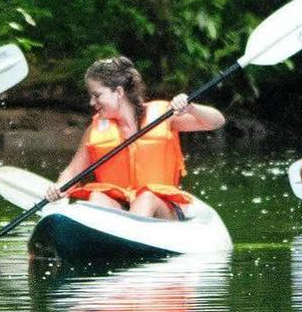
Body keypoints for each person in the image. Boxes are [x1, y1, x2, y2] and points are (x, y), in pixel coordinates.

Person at [44, 55, 225, 221]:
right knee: (97, 197)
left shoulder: (165, 115)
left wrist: (191, 108)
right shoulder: (96, 128)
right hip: (121, 207)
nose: (92, 102)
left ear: (119, 92)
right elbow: (73, 171)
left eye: (97, 95)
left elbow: (216, 121)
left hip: (161, 209)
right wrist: (58, 187)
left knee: (145, 198)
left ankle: (126, 239)